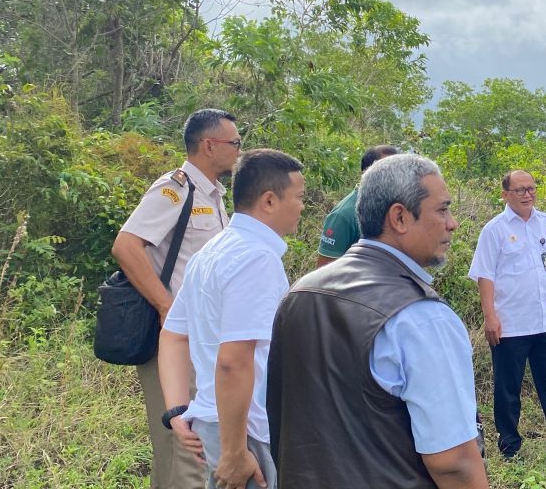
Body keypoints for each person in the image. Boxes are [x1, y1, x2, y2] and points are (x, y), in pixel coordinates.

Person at [266, 154, 487, 489]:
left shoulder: (301, 293)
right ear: (399, 217)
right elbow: (453, 462)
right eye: (442, 209)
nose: (452, 223)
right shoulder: (421, 318)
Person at [158, 148, 305, 489]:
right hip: (245, 431)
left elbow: (173, 335)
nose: (302, 206)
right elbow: (233, 361)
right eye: (299, 197)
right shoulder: (257, 259)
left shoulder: (210, 252)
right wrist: (236, 452)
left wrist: (178, 410)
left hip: (214, 422)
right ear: (269, 201)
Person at [110, 108, 240, 489]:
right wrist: (166, 307)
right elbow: (127, 245)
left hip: (199, 336)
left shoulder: (213, 196)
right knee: (187, 439)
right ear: (209, 145)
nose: (238, 150)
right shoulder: (176, 188)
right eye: (234, 143)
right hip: (176, 338)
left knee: (178, 441)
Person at [468, 170, 546, 464]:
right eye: (520, 190)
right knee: (508, 387)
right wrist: (490, 317)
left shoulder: (545, 222)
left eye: (531, 189)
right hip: (510, 324)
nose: (527, 195)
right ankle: (510, 446)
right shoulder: (494, 230)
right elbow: (484, 276)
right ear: (505, 195)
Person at [316, 144, 399, 267]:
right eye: (387, 171)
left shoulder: (394, 208)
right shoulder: (344, 215)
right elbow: (324, 272)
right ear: (366, 172)